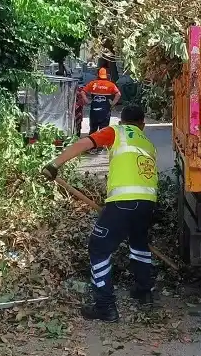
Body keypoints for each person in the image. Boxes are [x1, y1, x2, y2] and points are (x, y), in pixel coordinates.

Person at [42, 104, 158, 322]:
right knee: (139, 243)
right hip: (147, 203)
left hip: (123, 202)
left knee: (98, 247)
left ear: (122, 122)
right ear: (143, 124)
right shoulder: (148, 143)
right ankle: (144, 292)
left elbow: (85, 143)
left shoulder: (117, 131)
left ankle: (105, 306)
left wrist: (55, 164)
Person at [83, 67, 121, 134]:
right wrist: (113, 103)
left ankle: (92, 143)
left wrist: (87, 101)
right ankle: (102, 144)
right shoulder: (111, 85)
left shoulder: (92, 83)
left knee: (93, 130)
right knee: (104, 131)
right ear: (106, 76)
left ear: (98, 75)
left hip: (94, 111)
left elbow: (82, 92)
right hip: (105, 111)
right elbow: (118, 94)